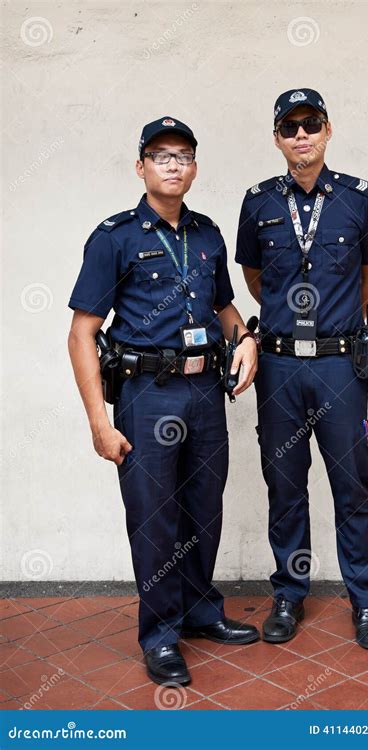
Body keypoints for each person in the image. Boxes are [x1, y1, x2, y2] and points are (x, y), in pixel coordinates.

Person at [68, 116, 259, 686]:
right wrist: (99, 423)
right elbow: (82, 333)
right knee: (155, 518)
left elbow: (224, 309)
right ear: (141, 166)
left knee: (204, 507)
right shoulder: (114, 237)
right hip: (146, 394)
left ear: (195, 167)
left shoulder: (207, 234)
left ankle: (201, 613)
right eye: (161, 155)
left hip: (205, 391)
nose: (173, 164)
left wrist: (244, 340)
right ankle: (160, 634)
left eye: (183, 155)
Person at [235, 89, 368, 650]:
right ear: (276, 137)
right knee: (285, 484)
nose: (301, 134)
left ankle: (366, 603)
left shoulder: (360, 198)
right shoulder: (257, 203)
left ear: (328, 130)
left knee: (352, 485)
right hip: (278, 365)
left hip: (337, 366)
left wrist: (335, 324)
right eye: (289, 126)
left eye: (311, 123)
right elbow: (256, 281)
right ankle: (287, 594)